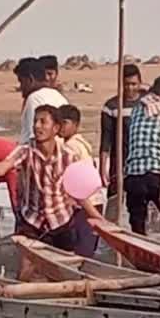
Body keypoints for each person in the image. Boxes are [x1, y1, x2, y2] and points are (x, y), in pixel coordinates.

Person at [0, 106, 103, 266]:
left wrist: (97, 217)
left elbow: (78, 192)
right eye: (35, 121)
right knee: (26, 270)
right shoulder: (26, 151)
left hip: (60, 221)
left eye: (43, 122)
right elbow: (3, 167)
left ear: (55, 128)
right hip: (32, 222)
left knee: (65, 271)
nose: (37, 126)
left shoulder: (69, 156)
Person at [125, 75, 160, 235]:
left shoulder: (137, 107)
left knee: (137, 220)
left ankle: (137, 247)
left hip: (134, 173)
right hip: (156, 171)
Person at [59, 104, 102, 257]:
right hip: (93, 199)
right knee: (87, 246)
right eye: (59, 122)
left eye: (65, 123)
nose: (61, 127)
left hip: (86, 202)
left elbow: (75, 182)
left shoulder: (71, 147)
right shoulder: (81, 143)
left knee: (82, 249)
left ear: (75, 125)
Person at [99, 63, 143, 194]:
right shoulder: (112, 106)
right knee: (115, 204)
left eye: (134, 84)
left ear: (140, 83)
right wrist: (102, 169)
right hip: (119, 165)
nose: (130, 88)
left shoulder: (148, 104)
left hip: (142, 166)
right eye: (126, 84)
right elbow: (106, 140)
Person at [16, 57, 68, 144]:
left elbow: (34, 137)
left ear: (30, 79)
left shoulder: (34, 98)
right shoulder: (58, 95)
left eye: (22, 82)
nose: (21, 87)